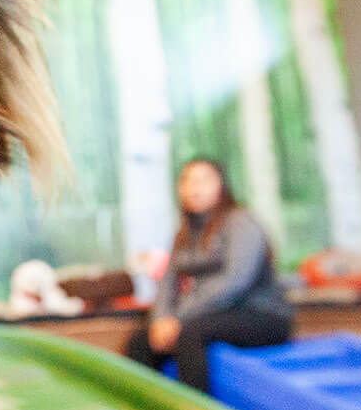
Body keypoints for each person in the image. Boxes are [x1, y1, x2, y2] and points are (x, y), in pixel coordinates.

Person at [124, 157, 292, 392]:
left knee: (189, 334)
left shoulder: (241, 222)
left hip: (262, 316)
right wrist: (161, 319)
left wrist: (178, 318)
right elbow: (168, 283)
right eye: (188, 181)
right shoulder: (184, 234)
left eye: (204, 180)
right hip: (209, 316)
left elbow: (235, 281)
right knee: (141, 341)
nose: (195, 188)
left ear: (221, 186)